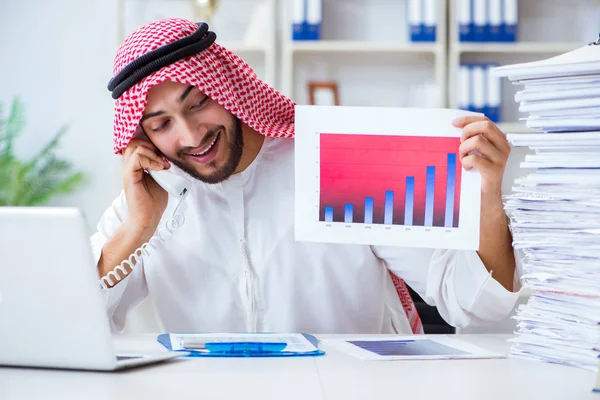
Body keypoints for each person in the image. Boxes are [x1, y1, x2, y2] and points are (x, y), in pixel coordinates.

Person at [93, 18, 520, 334]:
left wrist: (486, 196)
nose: (191, 135)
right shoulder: (146, 201)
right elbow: (78, 323)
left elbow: (476, 303)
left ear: (227, 88)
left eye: (199, 101)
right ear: (141, 135)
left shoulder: (341, 160)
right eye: (161, 124)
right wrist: (138, 228)